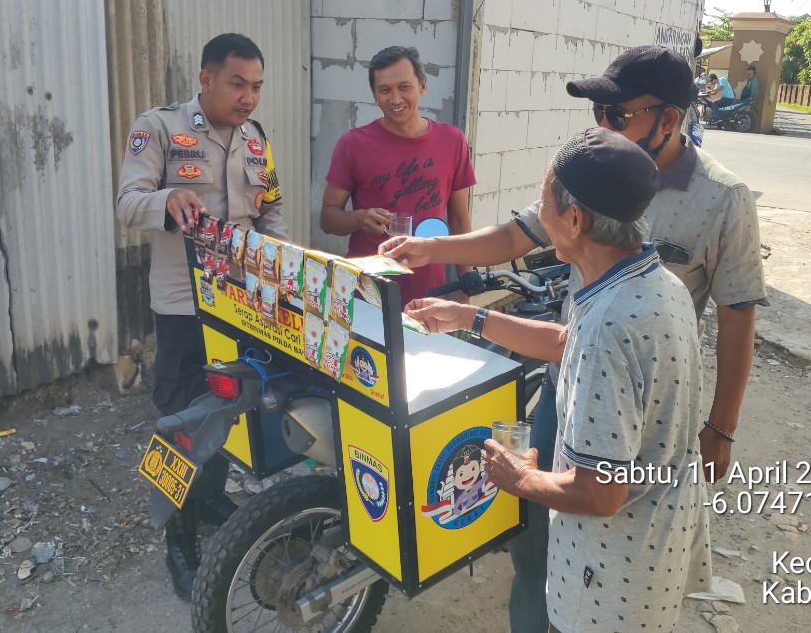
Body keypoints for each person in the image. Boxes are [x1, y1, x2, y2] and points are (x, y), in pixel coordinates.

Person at [382, 44, 766, 632]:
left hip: (632, 393)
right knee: (541, 537)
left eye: (617, 114)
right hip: (583, 373)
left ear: (668, 119)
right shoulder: (613, 208)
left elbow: (737, 319)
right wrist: (446, 277)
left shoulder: (718, 203)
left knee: (598, 516)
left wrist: (721, 426)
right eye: (599, 113)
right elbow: (557, 315)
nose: (604, 125)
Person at [478, 128, 712, 633]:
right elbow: (570, 342)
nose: (539, 215)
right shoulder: (654, 283)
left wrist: (522, 478)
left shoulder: (609, 325)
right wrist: (470, 318)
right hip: (656, 549)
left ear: (575, 219)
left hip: (609, 580)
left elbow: (600, 493)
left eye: (544, 201)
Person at [115, 32, 289, 600]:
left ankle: (211, 496)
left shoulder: (257, 140)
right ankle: (179, 541)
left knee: (230, 410)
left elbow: (271, 211)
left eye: (257, 86)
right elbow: (126, 202)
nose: (249, 97)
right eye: (237, 83)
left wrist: (280, 271)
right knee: (182, 422)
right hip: (184, 309)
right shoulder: (160, 128)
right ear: (206, 79)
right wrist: (164, 199)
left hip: (242, 310)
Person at [320, 45, 475, 304]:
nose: (395, 99)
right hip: (365, 293)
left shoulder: (453, 141)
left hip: (429, 294)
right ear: (374, 95)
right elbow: (327, 218)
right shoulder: (353, 144)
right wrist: (358, 219)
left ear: (422, 86)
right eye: (385, 90)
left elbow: (459, 218)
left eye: (404, 87)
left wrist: (467, 283)